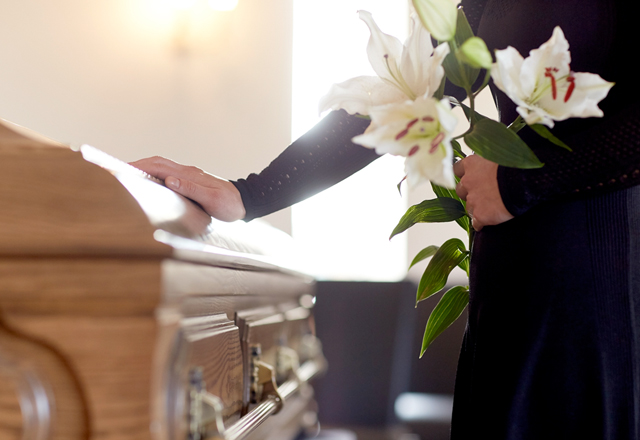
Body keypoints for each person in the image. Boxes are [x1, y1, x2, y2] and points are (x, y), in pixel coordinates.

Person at [132, 0, 640, 438]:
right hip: (510, 287)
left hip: (600, 288)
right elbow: (404, 94)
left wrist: (521, 182)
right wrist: (250, 193)